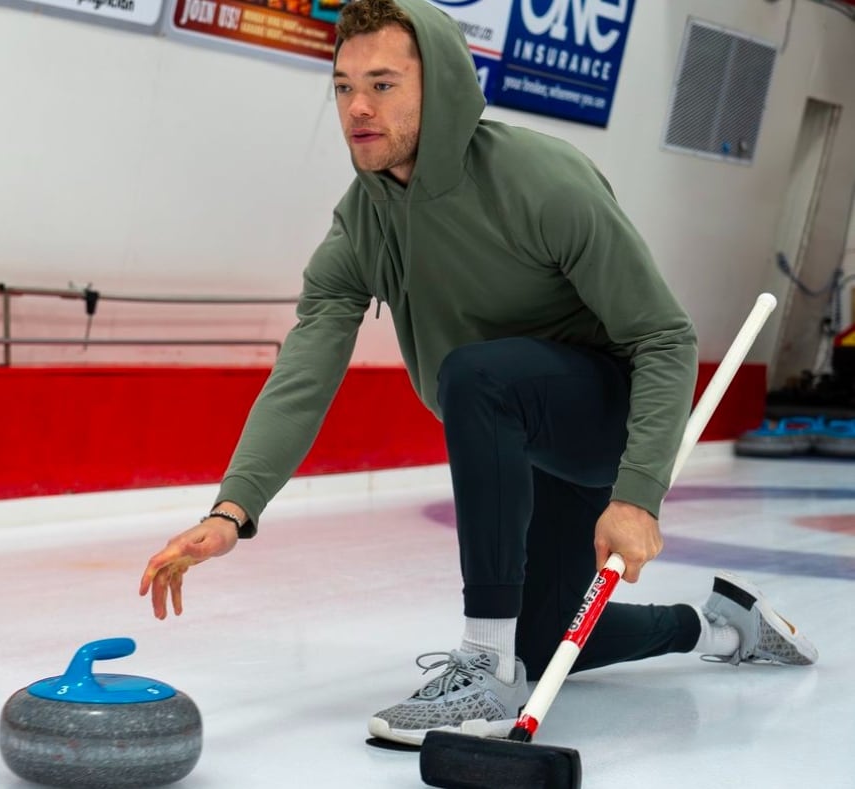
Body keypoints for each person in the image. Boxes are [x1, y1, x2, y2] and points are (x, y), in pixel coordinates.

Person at [139, 0, 817, 746]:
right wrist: (232, 510)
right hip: (525, 423)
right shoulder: (363, 219)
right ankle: (723, 628)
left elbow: (662, 335)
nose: (358, 107)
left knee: (476, 375)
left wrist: (638, 495)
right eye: (342, 86)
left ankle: (485, 667)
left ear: (443, 89)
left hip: (602, 413)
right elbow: (306, 365)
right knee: (554, 635)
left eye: (385, 84)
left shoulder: (540, 180)